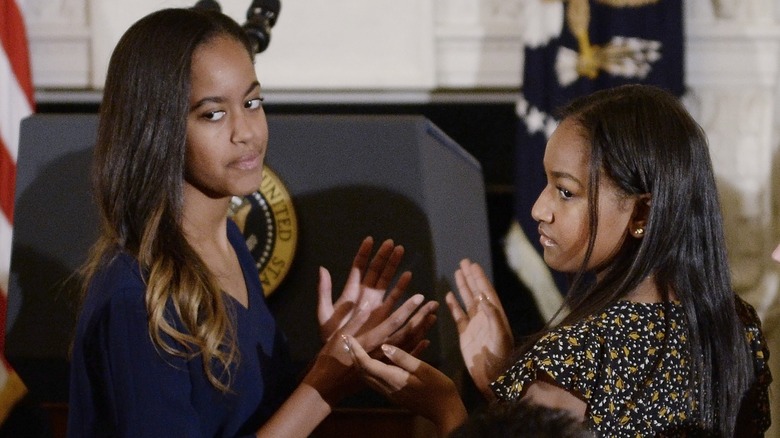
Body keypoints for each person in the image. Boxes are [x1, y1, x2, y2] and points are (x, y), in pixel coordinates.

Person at [66, 7, 439, 438]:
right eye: (213, 114)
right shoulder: (137, 298)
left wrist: (337, 359)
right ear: (156, 128)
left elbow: (249, 420)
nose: (246, 131)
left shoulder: (229, 244)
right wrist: (323, 384)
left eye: (252, 102)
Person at [345, 84, 772, 437]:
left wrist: (444, 406)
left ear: (641, 213)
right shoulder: (736, 327)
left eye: (565, 191)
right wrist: (506, 380)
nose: (538, 209)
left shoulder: (574, 357)